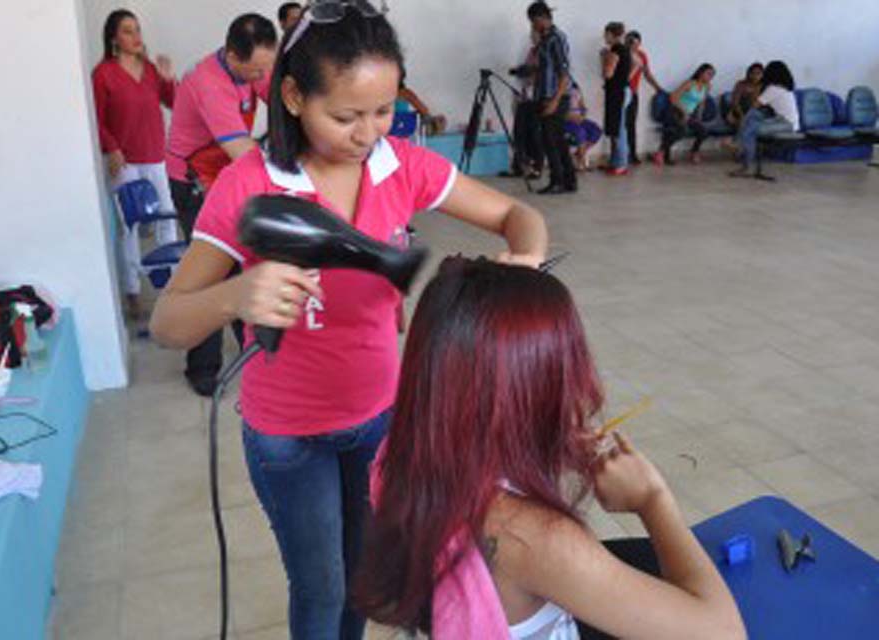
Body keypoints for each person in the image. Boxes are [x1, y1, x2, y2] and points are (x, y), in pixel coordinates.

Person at [149, 5, 548, 639]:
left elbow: (517, 217)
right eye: (345, 116)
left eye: (383, 111)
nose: (368, 133)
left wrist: (525, 256)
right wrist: (237, 296)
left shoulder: (402, 165)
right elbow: (169, 322)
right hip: (287, 436)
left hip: (380, 420)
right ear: (293, 96)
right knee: (320, 585)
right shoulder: (248, 185)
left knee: (363, 576)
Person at [353, 257, 747, 640]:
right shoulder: (537, 538)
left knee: (645, 558)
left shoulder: (403, 450)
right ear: (531, 391)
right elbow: (724, 632)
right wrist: (653, 500)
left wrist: (547, 442)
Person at [164, 14, 277, 396]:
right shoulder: (209, 84)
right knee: (206, 272)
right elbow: (241, 152)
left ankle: (251, 344)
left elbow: (278, 99)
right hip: (193, 181)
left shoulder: (249, 68)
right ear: (232, 55)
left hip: (222, 175)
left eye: (267, 66)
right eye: (257, 68)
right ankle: (202, 368)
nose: (262, 74)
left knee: (238, 260)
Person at [92, 9, 179, 320]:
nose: (136, 36)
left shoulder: (151, 69)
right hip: (125, 162)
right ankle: (132, 290)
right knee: (129, 228)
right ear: (114, 37)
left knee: (166, 220)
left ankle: (171, 286)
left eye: (137, 29)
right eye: (128, 31)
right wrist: (112, 148)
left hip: (155, 155)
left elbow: (174, 102)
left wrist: (169, 79)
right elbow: (97, 121)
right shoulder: (103, 73)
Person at [527, 2, 577, 194]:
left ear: (541, 18)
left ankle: (558, 182)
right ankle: (569, 180)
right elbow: (544, 68)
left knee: (551, 141)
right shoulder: (544, 39)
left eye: (533, 21)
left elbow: (564, 73)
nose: (532, 25)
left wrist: (555, 101)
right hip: (545, 95)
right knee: (558, 141)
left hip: (555, 97)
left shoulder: (557, 38)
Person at [730, 60, 800, 178]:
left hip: (787, 124)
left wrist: (753, 92)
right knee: (752, 118)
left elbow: (754, 105)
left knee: (750, 127)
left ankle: (743, 159)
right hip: (782, 120)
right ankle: (738, 145)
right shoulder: (784, 88)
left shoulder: (773, 89)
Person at [653, 63, 715, 167]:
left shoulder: (707, 86)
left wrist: (699, 117)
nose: (710, 77)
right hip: (675, 111)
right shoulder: (689, 83)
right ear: (700, 73)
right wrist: (684, 112)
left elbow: (701, 103)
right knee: (681, 131)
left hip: (689, 114)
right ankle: (661, 151)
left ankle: (694, 152)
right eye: (708, 74)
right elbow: (673, 98)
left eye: (712, 75)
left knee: (703, 131)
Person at [507, 26, 544, 179]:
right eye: (531, 34)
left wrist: (525, 71)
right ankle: (519, 166)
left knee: (534, 134)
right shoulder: (532, 51)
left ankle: (537, 167)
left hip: (537, 97)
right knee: (519, 132)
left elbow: (539, 71)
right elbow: (528, 69)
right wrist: (519, 71)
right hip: (524, 95)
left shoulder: (545, 51)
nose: (532, 37)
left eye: (534, 34)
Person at [625, 31, 663, 165]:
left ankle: (632, 154)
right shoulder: (622, 54)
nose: (633, 46)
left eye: (636, 43)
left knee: (630, 124)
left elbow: (647, 74)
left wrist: (658, 87)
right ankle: (619, 156)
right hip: (621, 93)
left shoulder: (641, 55)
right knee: (619, 126)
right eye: (630, 42)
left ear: (639, 43)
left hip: (633, 93)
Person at [601, 22, 632, 176]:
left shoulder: (615, 50)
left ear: (612, 34)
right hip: (622, 91)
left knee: (619, 129)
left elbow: (607, 74)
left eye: (606, 34)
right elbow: (636, 65)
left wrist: (604, 58)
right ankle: (616, 162)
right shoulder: (624, 49)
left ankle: (621, 164)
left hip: (618, 93)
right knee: (616, 127)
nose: (604, 37)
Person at [565, 83, 603, 171]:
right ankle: (581, 162)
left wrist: (583, 114)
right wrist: (571, 116)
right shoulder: (557, 90)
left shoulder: (575, 88)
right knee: (580, 132)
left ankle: (580, 153)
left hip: (579, 119)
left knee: (596, 130)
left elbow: (582, 105)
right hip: (566, 120)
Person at [728, 62, 764, 130]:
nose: (755, 76)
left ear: (762, 74)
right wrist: (742, 117)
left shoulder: (764, 86)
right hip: (740, 111)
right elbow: (735, 103)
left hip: (757, 112)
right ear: (749, 73)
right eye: (753, 73)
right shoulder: (741, 84)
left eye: (758, 73)